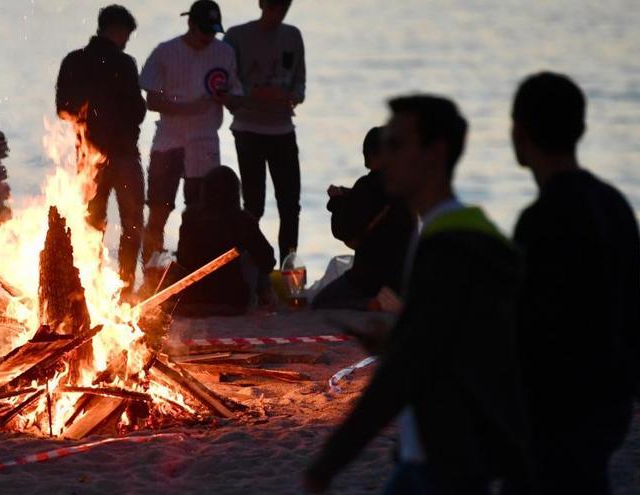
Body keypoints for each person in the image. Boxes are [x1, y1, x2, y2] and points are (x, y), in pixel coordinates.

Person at [305, 96, 528, 493]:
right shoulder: (450, 234)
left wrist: (328, 463)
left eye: (398, 145)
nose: (384, 157)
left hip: (447, 463)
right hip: (422, 454)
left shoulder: (454, 245)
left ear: (434, 154)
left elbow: (405, 373)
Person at [510, 72, 640, 494]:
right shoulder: (614, 204)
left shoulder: (539, 221)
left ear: (521, 133)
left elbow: (525, 332)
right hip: (611, 404)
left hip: (558, 408)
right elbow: (637, 319)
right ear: (580, 130)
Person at [139, 0, 244, 265]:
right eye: (204, 31)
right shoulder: (165, 52)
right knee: (159, 210)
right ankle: (150, 268)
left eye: (213, 32)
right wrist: (183, 107)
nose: (209, 38)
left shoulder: (224, 53)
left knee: (203, 212)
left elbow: (237, 98)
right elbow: (151, 100)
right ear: (190, 24)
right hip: (168, 140)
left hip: (205, 141)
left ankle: (196, 267)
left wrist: (226, 98)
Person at [56, 5, 147, 292]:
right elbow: (137, 109)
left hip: (88, 155)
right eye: (126, 35)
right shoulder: (124, 63)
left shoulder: (74, 61)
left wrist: (88, 119)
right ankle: (126, 282)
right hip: (123, 152)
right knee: (132, 220)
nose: (126, 41)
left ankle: (91, 283)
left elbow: (62, 108)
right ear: (117, 31)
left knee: (92, 221)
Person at [224, 0, 305, 262]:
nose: (277, 13)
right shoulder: (236, 36)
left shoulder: (292, 36)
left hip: (283, 129)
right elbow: (224, 84)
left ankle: (288, 268)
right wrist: (253, 94)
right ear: (261, 4)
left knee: (290, 205)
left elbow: (299, 81)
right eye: (272, 6)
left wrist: (292, 96)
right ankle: (250, 267)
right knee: (253, 205)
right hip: (248, 129)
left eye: (283, 7)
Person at [312, 126, 415, 310]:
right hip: (402, 277)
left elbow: (343, 230)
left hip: (367, 278)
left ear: (373, 155)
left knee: (321, 302)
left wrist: (336, 202)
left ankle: (371, 304)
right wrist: (349, 196)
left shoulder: (366, 186)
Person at [176, 166, 276, 316]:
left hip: (192, 298)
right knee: (253, 256)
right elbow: (268, 260)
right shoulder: (243, 220)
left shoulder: (190, 218)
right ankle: (265, 300)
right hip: (232, 300)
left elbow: (182, 259)